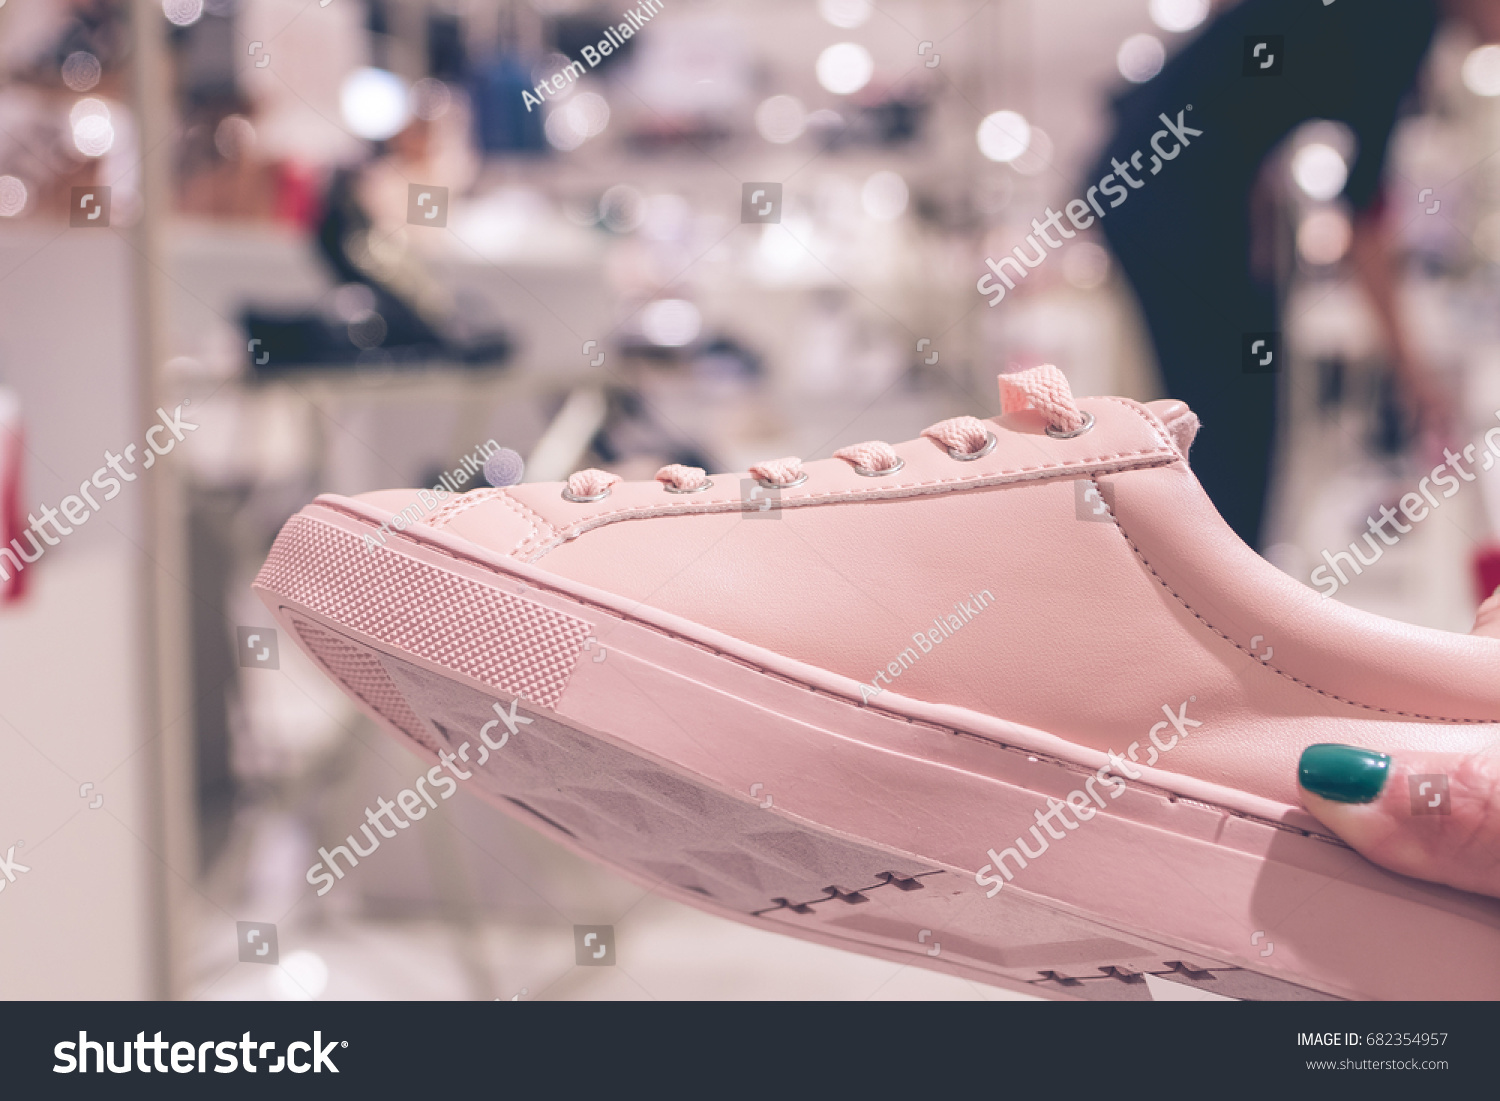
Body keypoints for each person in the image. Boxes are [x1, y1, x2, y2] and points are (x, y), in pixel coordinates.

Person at [1093, 0, 1500, 548]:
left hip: (1164, 184)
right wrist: (1414, 371)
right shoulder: (1402, 19)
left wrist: (1253, 184)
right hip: (1159, 189)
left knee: (1236, 400)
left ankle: (1225, 589)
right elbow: (1364, 213)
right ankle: (1221, 599)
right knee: (1227, 416)